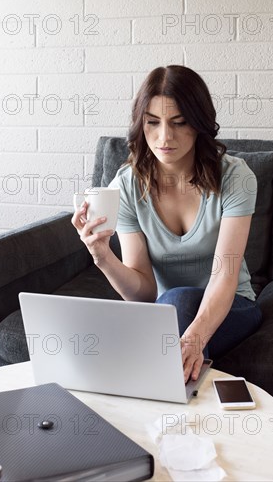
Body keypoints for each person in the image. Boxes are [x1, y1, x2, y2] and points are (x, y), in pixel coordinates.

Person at [71, 65, 262, 383]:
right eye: (152, 123)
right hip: (165, 313)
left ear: (199, 123)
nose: (164, 138)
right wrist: (102, 256)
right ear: (140, 124)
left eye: (179, 123)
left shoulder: (235, 177)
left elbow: (224, 277)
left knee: (179, 301)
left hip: (231, 305)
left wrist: (193, 338)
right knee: (167, 306)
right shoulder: (128, 185)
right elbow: (143, 294)